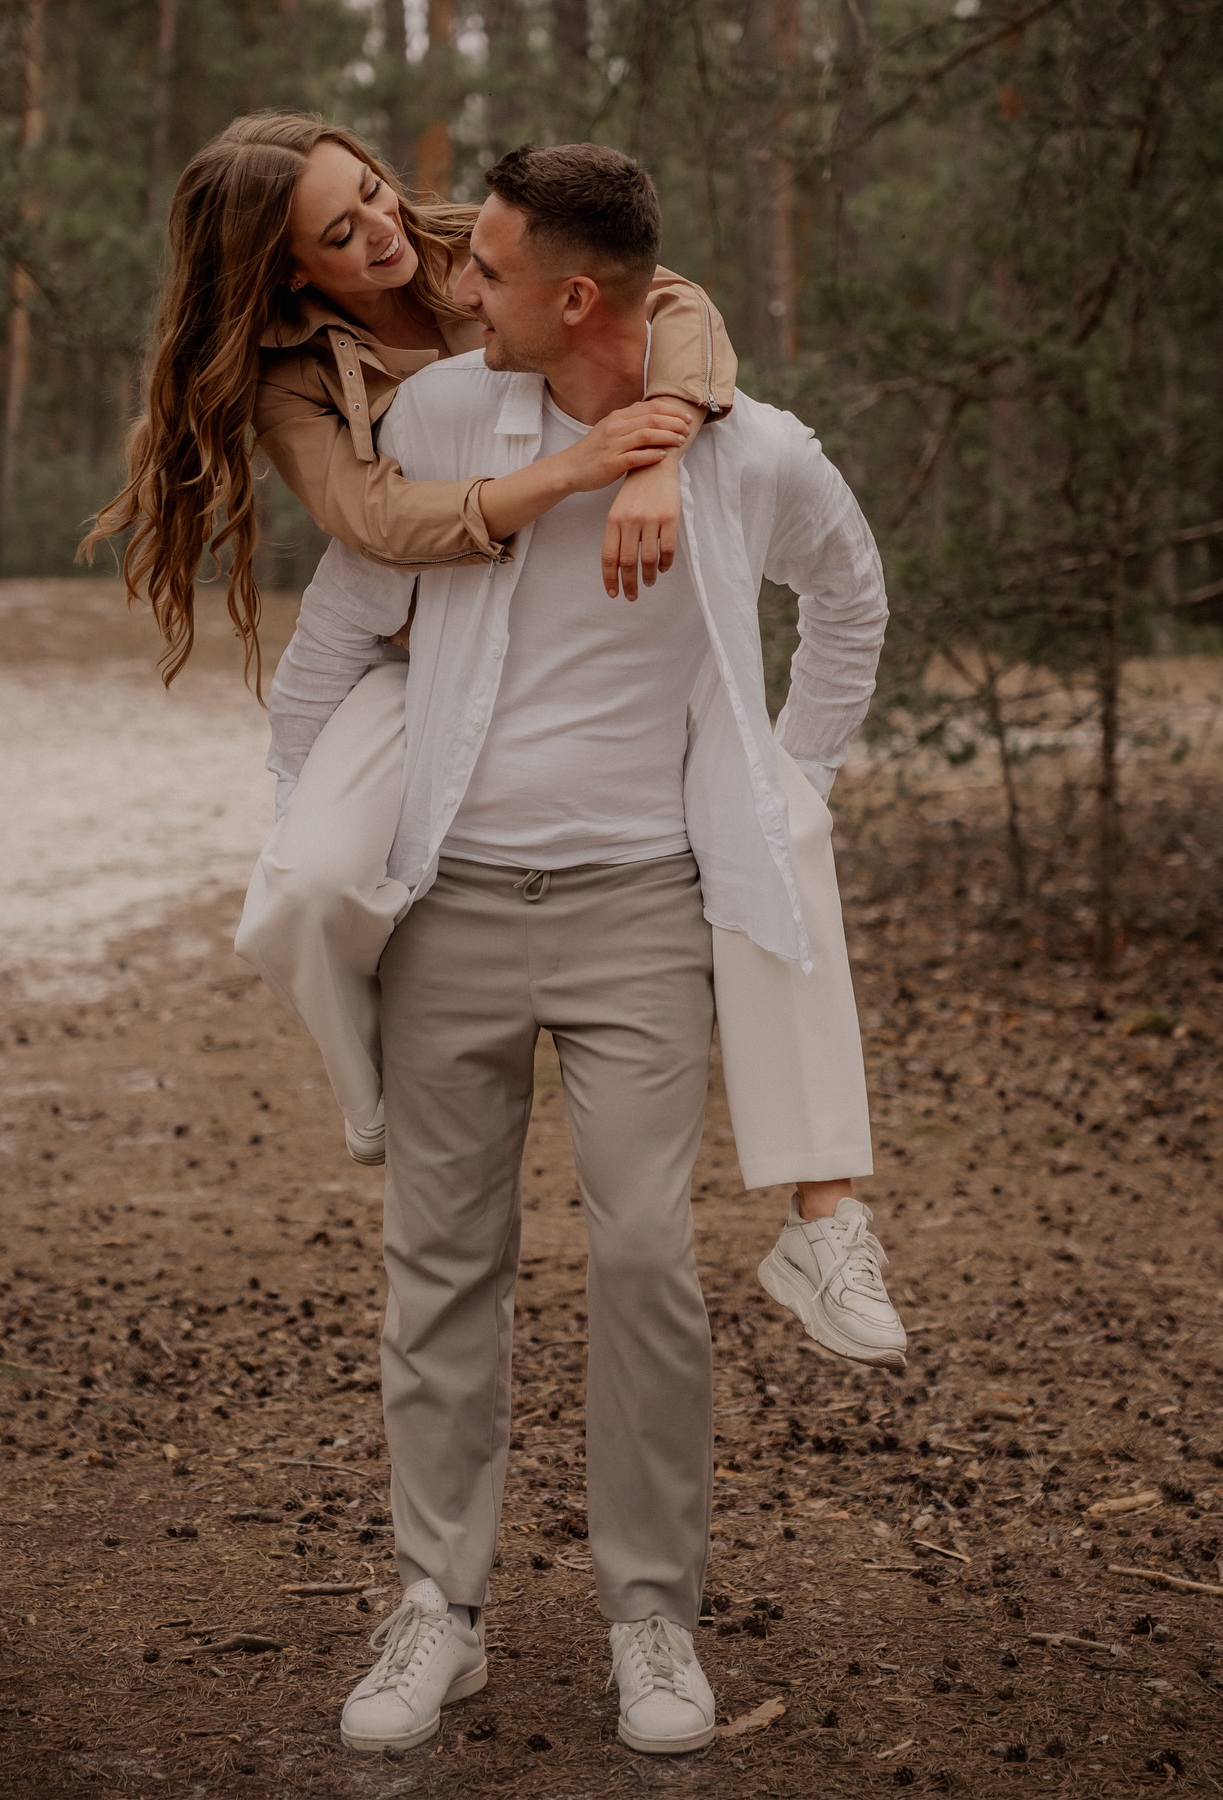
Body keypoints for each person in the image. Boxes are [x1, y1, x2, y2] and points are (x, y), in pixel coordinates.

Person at [84, 111, 908, 1375]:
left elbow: (667, 299)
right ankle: (373, 1096)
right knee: (299, 888)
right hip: (427, 657)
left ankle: (824, 1211)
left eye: (371, 193)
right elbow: (374, 526)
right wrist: (581, 473)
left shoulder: (478, 240)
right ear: (284, 268)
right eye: (341, 232)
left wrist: (655, 458)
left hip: (598, 676)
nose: (393, 242)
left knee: (782, 818)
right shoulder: (296, 376)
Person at [263, 142, 895, 1757]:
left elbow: (851, 598)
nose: (447, 288)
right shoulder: (443, 414)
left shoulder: (751, 455)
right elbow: (338, 627)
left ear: (578, 296)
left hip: (636, 916)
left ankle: (652, 1620)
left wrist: (788, 784)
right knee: (442, 1272)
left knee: (642, 1260)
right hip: (454, 906)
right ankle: (438, 1611)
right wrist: (310, 831)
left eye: (486, 270)